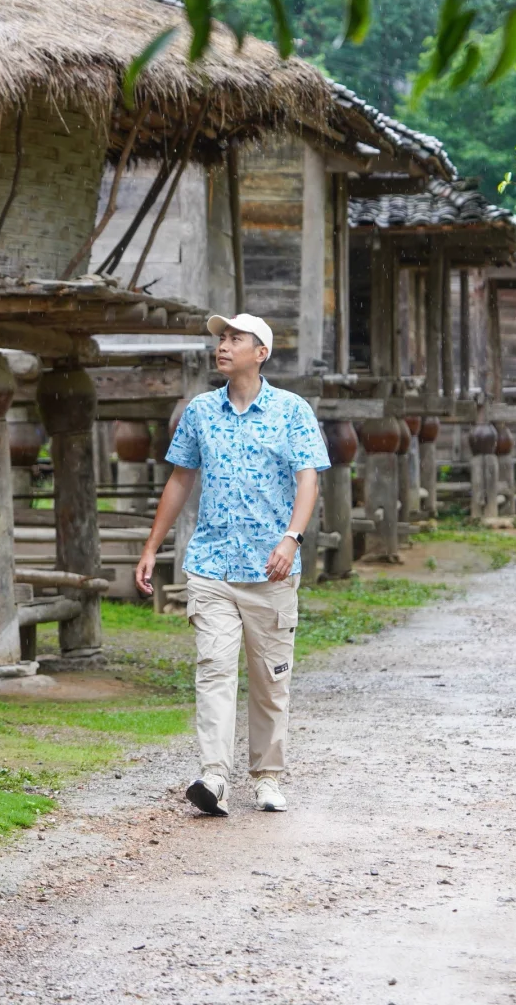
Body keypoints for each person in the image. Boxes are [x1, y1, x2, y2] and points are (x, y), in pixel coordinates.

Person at [135, 313, 329, 817]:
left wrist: (292, 538)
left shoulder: (291, 411)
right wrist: (152, 547)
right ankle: (214, 776)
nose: (223, 345)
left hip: (272, 568)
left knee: (269, 680)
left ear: (259, 352)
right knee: (214, 670)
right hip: (211, 566)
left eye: (234, 339)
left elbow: (309, 480)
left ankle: (266, 777)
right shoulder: (201, 411)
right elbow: (180, 480)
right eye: (221, 338)